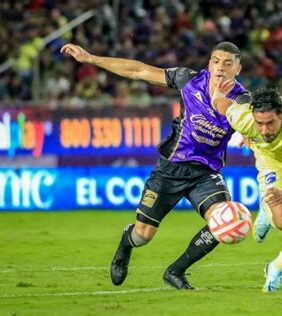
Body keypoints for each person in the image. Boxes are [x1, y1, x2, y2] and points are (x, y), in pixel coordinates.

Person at [60, 41, 251, 289]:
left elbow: (248, 119)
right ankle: (126, 244)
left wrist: (249, 130)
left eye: (228, 63)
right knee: (143, 236)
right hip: (170, 168)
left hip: (206, 173)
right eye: (215, 61)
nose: (220, 68)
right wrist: (91, 58)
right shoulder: (188, 80)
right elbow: (138, 70)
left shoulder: (244, 99)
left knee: (224, 222)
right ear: (209, 64)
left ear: (238, 68)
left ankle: (175, 272)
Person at [212, 85, 282, 292]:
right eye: (259, 124)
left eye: (270, 123)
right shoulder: (244, 118)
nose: (264, 130)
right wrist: (218, 93)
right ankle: (267, 207)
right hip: (271, 162)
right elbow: (221, 103)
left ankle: (275, 267)